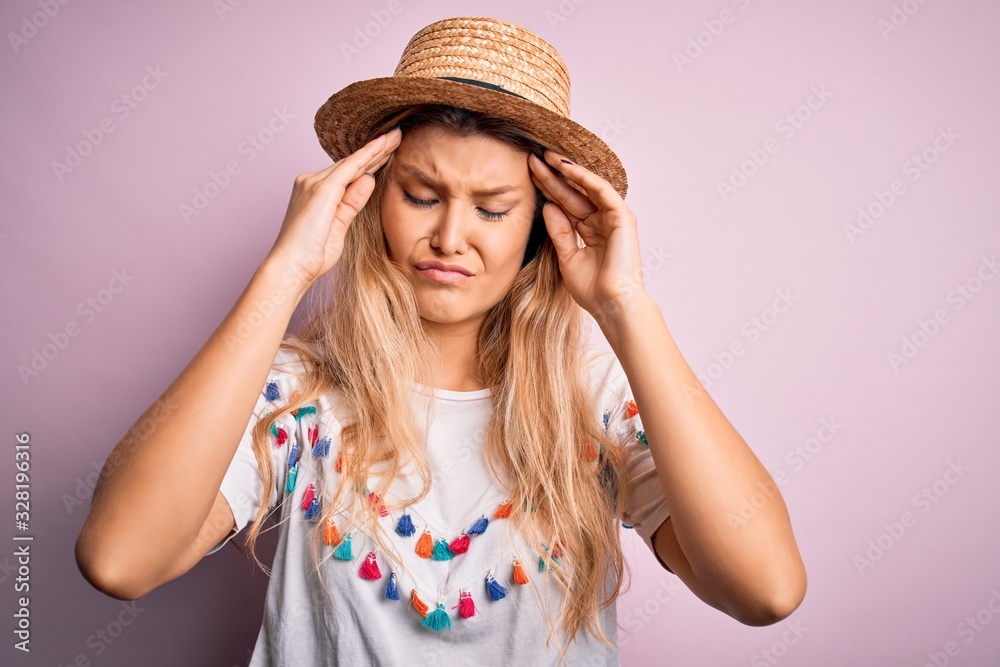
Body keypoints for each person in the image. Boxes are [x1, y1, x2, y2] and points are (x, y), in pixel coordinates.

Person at [74, 16, 806, 666]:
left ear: (537, 230)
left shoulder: (595, 400)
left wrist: (626, 307)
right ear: (372, 194)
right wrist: (285, 271)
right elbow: (118, 559)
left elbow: (766, 588)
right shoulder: (299, 393)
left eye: (491, 209)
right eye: (420, 194)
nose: (449, 238)